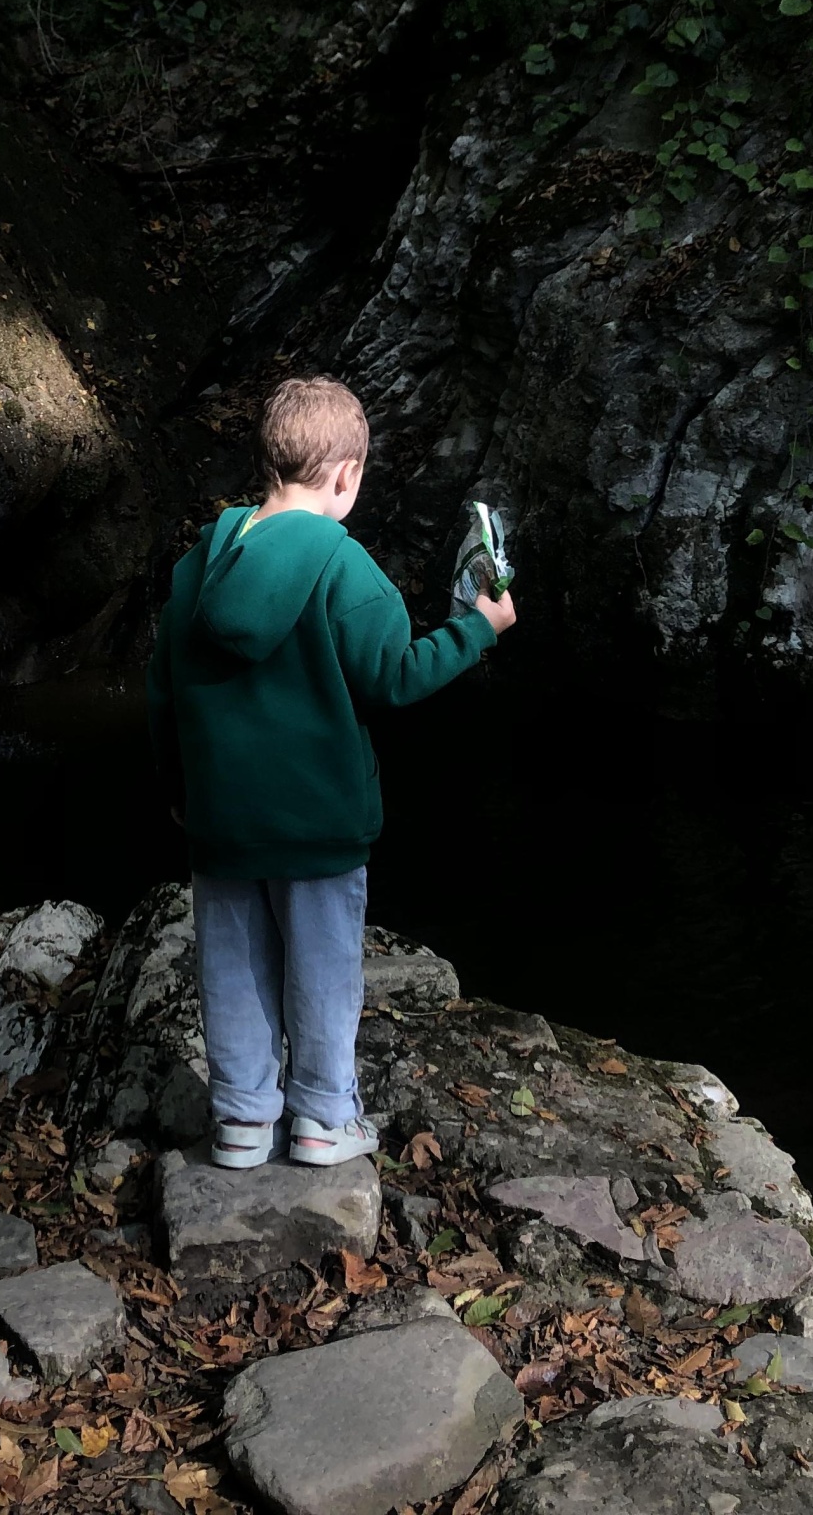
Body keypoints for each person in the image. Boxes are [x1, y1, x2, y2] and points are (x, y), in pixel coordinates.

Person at [148, 375, 516, 1168]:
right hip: (320, 824)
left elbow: (162, 695)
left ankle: (242, 1120)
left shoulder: (193, 569)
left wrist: (178, 789)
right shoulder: (345, 566)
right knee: (323, 970)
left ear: (268, 464)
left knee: (234, 966)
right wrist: (478, 628)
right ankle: (321, 1117)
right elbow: (395, 677)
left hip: (221, 820)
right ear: (347, 474)